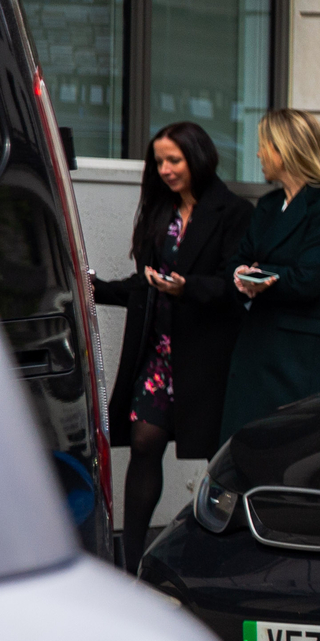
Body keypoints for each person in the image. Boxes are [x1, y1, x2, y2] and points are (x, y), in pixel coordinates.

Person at [90, 121, 253, 568]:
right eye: (158, 161)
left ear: (197, 158)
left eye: (173, 160)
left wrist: (189, 288)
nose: (164, 169)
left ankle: (218, 559)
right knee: (144, 442)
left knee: (213, 457)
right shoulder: (159, 212)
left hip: (205, 356)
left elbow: (235, 286)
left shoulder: (233, 211)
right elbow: (146, 286)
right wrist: (93, 288)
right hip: (156, 352)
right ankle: (132, 560)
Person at [222, 109, 320, 444]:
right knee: (244, 449)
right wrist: (242, 275)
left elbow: (307, 279)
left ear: (287, 149)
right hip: (257, 348)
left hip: (300, 358)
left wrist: (258, 276)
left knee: (290, 451)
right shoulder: (268, 204)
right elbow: (238, 261)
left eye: (264, 145)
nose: (257, 154)